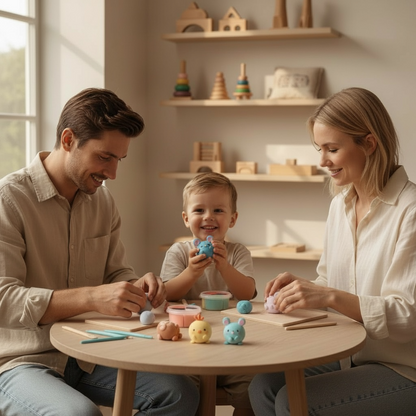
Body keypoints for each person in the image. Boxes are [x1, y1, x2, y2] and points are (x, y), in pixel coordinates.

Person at [0, 88, 199, 416]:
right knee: (78, 414)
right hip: (22, 361)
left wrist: (136, 285)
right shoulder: (10, 200)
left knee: (180, 393)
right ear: (68, 140)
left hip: (88, 354)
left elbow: (115, 273)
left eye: (118, 160)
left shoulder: (102, 202)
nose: (112, 173)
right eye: (104, 157)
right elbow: (4, 300)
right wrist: (91, 297)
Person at [248, 87, 416, 416]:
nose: (322, 161)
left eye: (332, 149)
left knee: (292, 402)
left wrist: (326, 296)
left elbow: (408, 316)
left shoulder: (410, 211)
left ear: (369, 144)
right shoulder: (340, 206)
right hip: (348, 356)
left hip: (402, 367)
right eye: (319, 149)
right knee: (263, 385)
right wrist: (302, 290)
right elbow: (329, 280)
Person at [161, 171, 256, 416]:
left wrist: (225, 267)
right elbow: (167, 294)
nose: (208, 217)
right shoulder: (179, 252)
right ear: (185, 218)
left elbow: (247, 293)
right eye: (199, 210)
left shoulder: (237, 253)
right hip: (188, 346)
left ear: (233, 219)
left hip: (231, 342)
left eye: (218, 210)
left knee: (253, 387)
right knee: (185, 391)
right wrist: (191, 273)